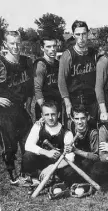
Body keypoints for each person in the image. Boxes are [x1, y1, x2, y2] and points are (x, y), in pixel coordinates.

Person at [0, 30, 33, 184]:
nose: (15, 46)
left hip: (21, 108)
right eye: (12, 43)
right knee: (10, 144)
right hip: (6, 111)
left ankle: (25, 172)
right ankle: (12, 175)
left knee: (28, 141)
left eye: (18, 43)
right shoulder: (1, 63)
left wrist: (29, 101)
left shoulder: (27, 61)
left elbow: (30, 86)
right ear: (5, 44)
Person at [22, 101, 75, 186]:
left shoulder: (67, 133)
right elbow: (28, 145)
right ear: (42, 116)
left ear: (58, 114)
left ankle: (52, 178)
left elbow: (70, 157)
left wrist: (52, 167)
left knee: (70, 172)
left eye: (53, 114)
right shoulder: (38, 126)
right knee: (27, 156)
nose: (50, 118)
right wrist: (46, 152)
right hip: (41, 162)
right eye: (47, 115)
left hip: (57, 164)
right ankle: (40, 176)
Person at [58, 20, 98, 127]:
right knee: (74, 131)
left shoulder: (94, 53)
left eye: (84, 34)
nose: (81, 37)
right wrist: (67, 104)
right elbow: (61, 82)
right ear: (73, 35)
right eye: (78, 34)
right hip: (74, 100)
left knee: (92, 130)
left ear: (88, 34)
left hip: (91, 100)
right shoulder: (68, 55)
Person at [64, 104, 99, 184]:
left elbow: (96, 157)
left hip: (90, 162)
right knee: (67, 172)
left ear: (88, 117)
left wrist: (75, 150)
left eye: (83, 118)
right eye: (77, 119)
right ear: (72, 118)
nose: (80, 122)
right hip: (75, 161)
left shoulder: (93, 133)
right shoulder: (69, 125)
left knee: (96, 171)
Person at [34, 35, 61, 120]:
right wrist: (44, 110)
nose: (52, 49)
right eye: (48, 46)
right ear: (42, 48)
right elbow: (37, 89)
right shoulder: (40, 64)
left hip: (57, 105)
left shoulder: (58, 64)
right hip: (45, 107)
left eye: (54, 46)